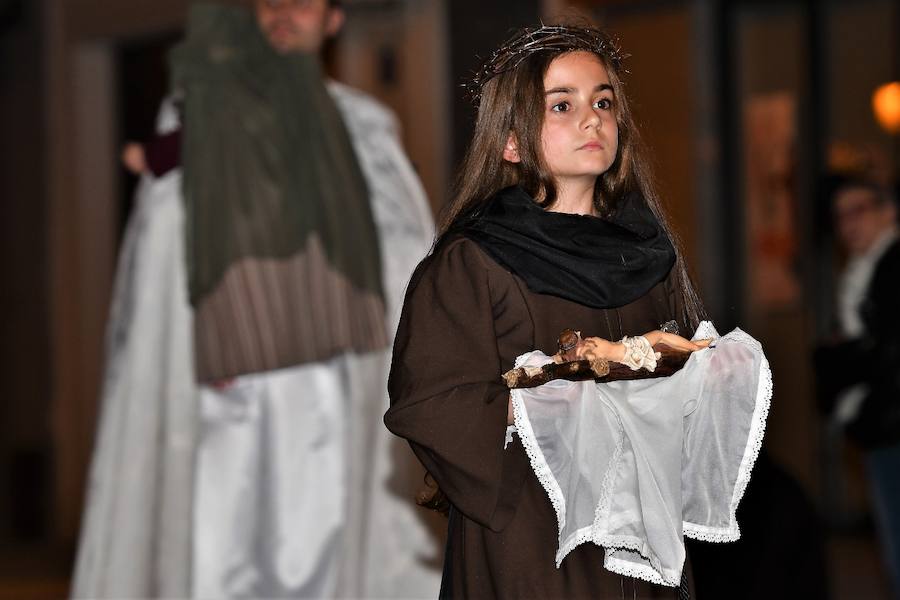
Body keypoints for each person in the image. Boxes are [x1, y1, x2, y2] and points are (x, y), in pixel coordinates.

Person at [72, 1, 440, 598]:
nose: (281, 11)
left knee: (331, 552)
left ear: (333, 20)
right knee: (222, 555)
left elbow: (407, 258)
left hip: (340, 388)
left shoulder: (365, 128)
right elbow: (161, 251)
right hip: (222, 390)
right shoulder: (195, 114)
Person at [385, 25, 720, 599]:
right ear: (511, 140)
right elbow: (431, 403)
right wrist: (553, 403)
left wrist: (704, 379)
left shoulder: (647, 252)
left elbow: (683, 379)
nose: (592, 119)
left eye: (603, 102)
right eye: (562, 105)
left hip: (644, 534)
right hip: (534, 538)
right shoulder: (472, 261)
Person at [817, 178, 900, 598]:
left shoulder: (890, 266)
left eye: (858, 210)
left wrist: (840, 356)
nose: (847, 225)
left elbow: (886, 349)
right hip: (880, 423)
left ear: (889, 211)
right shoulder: (862, 271)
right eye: (839, 216)